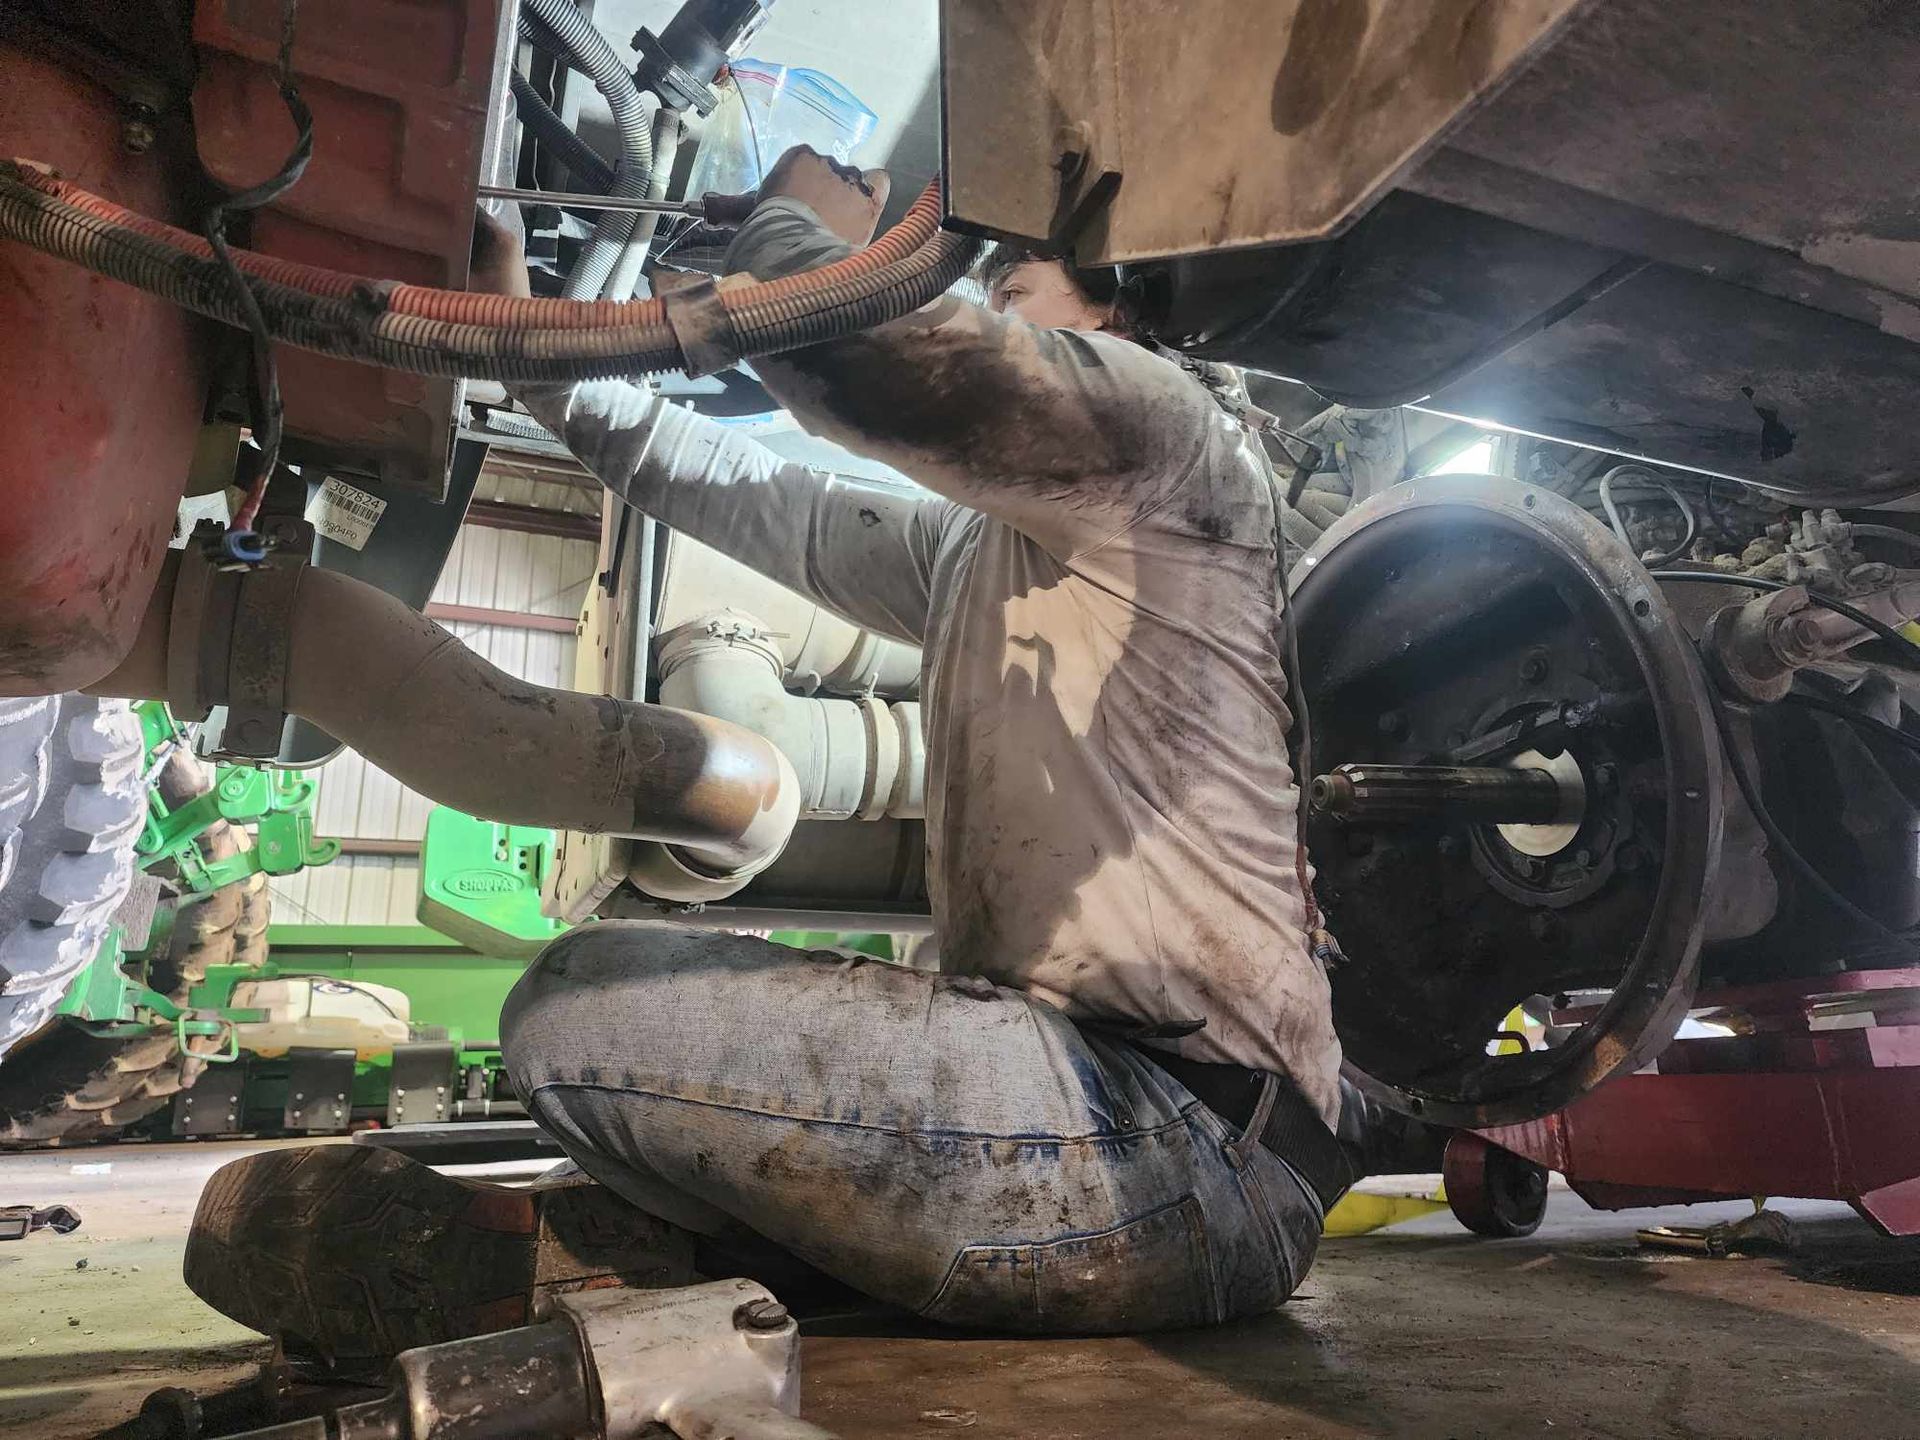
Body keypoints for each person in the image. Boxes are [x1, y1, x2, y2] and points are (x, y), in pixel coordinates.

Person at [191, 146, 1358, 1346]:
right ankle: (596, 1274)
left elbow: (864, 364)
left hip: (1182, 1138)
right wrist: (520, 330)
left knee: (580, 1006)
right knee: (611, 1032)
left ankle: (635, 1265)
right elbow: (739, 488)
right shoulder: (984, 555)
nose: (995, 292)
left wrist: (805, 224)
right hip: (1111, 1129)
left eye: (1016, 284)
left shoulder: (1169, 444)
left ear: (1116, 306)